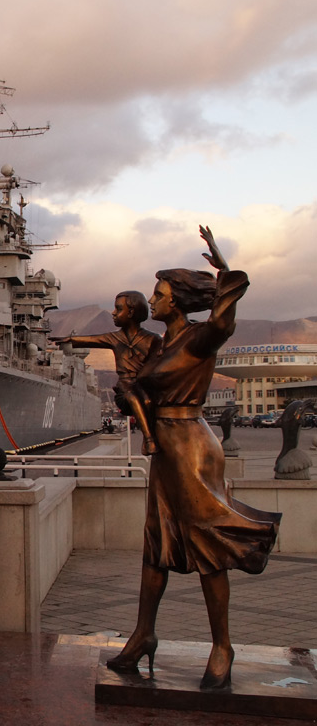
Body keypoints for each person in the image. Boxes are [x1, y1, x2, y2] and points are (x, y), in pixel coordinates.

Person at [106, 226, 280, 690]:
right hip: (164, 448)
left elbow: (223, 324)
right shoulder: (160, 344)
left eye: (159, 295)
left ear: (177, 301)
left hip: (191, 446)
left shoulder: (199, 338)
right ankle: (143, 634)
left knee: (207, 545)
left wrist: (224, 271)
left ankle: (222, 645)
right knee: (156, 543)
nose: (152, 301)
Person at [60, 291, 160, 454]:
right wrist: (70, 339)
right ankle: (148, 439)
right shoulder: (114, 338)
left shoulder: (153, 339)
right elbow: (94, 339)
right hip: (125, 387)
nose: (113, 313)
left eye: (118, 309)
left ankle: (156, 433)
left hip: (143, 384)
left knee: (149, 401)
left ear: (131, 312)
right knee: (132, 396)